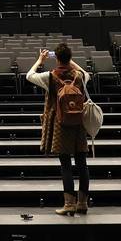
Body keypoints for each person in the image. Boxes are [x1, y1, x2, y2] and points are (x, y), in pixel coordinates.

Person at [26, 42, 91, 215]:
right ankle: (83, 203)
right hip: (78, 123)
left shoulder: (50, 76)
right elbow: (86, 73)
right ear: (69, 58)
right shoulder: (80, 76)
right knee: (82, 163)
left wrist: (40, 60)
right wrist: (71, 61)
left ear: (57, 60)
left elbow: (29, 75)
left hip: (60, 124)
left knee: (65, 164)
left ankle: (69, 204)